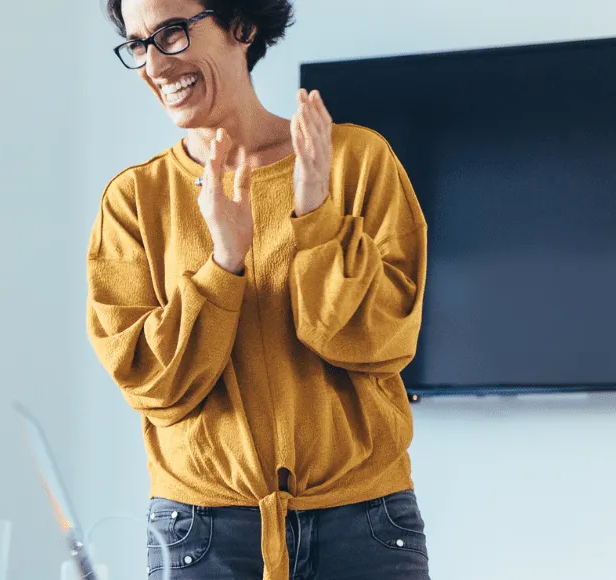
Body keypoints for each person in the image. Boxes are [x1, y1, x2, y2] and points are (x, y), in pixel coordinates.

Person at [88, 1, 429, 579]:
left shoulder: (355, 161)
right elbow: (152, 382)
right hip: (202, 533)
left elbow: (382, 340)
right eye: (140, 44)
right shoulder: (133, 201)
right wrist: (224, 262)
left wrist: (316, 212)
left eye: (172, 32)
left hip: (366, 524)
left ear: (242, 27)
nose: (155, 65)